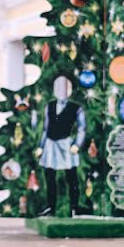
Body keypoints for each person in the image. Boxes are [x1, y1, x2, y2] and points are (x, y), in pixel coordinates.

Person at [35, 75, 86, 217]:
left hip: (66, 144)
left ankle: (74, 207)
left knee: (72, 177)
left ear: (69, 90)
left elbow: (82, 128)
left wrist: (77, 144)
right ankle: (51, 207)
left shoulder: (76, 108)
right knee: (50, 177)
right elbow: (46, 128)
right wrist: (41, 146)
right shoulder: (49, 106)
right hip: (50, 145)